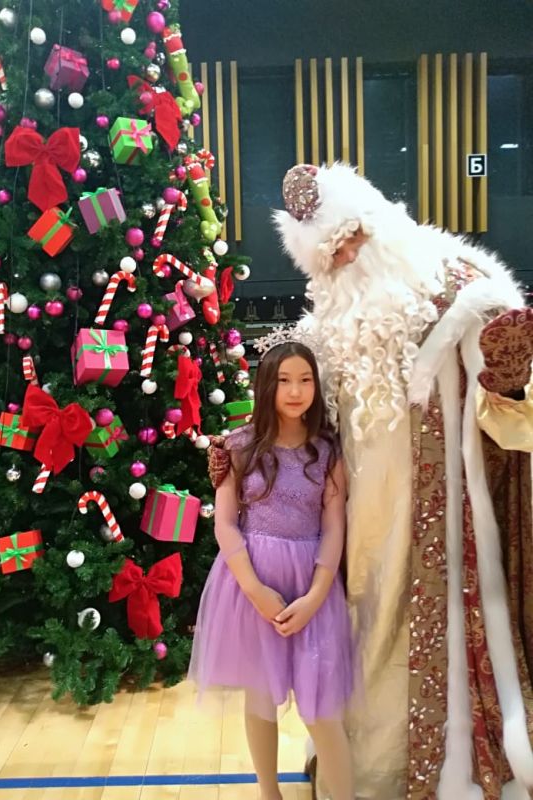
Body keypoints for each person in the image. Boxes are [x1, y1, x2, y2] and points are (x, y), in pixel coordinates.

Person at [273, 161, 533, 800]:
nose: (350, 256)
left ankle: (434, 768)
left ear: (379, 220)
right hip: (357, 519)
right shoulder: (327, 324)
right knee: (361, 626)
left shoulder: (461, 289)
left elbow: (507, 402)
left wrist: (509, 378)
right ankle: (355, 767)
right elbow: (298, 415)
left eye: (354, 236)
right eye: (333, 253)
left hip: (444, 514)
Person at [189, 341, 355, 800]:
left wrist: (316, 595)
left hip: (311, 585)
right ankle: (269, 792)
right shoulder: (239, 446)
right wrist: (256, 590)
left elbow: (334, 527)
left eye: (305, 380)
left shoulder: (327, 450)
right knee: (259, 697)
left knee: (322, 709)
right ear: (266, 385)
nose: (295, 391)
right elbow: (225, 524)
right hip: (251, 584)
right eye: (284, 380)